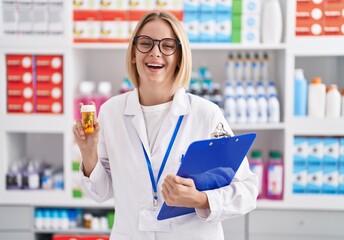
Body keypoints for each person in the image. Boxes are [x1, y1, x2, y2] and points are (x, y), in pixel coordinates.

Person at [73, 11, 258, 240]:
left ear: (180, 56)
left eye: (167, 45)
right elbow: (100, 193)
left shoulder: (206, 114)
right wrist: (88, 152)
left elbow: (248, 191)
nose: (155, 52)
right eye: (145, 43)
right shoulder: (112, 112)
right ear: (133, 53)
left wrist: (201, 200)